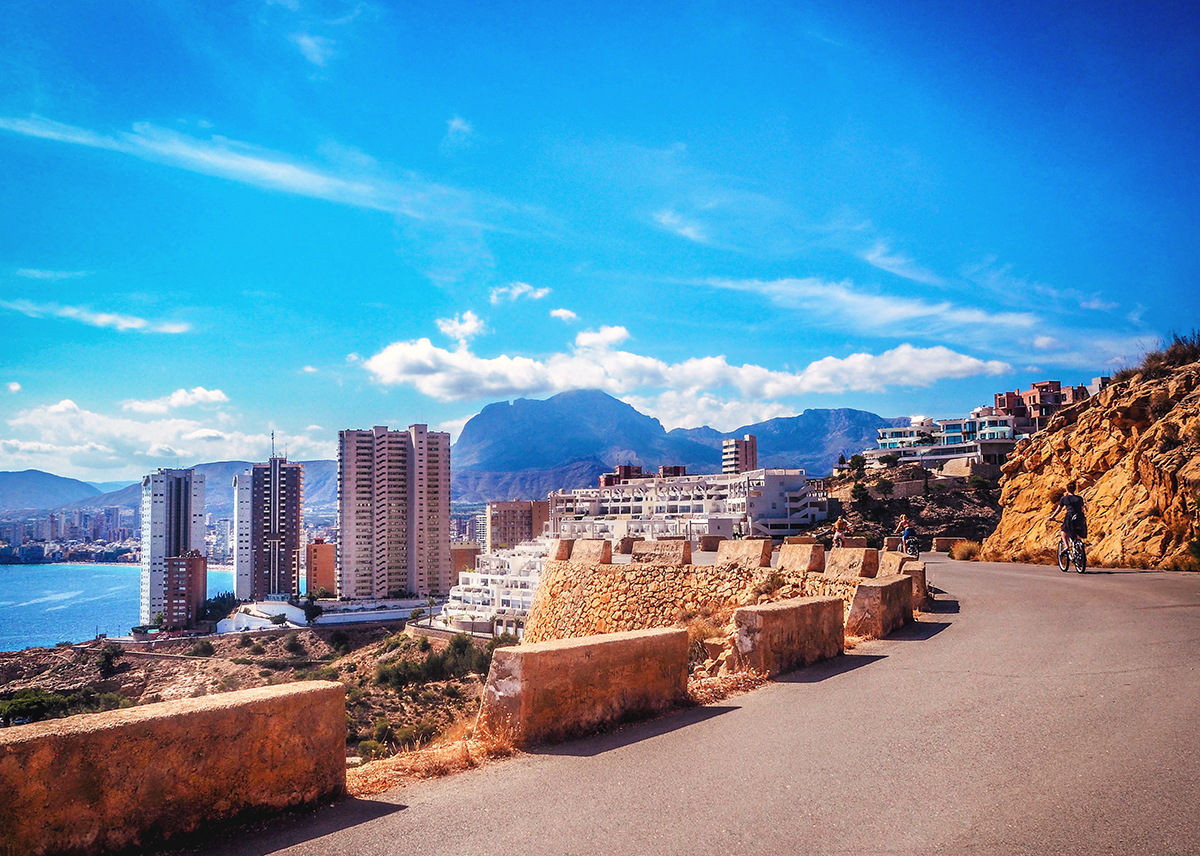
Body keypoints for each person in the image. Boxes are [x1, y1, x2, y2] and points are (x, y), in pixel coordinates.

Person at [1049, 480, 1086, 553]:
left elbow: (1058, 509)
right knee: (1077, 532)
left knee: (1064, 531)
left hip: (1070, 516)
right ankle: (1079, 549)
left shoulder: (1064, 498)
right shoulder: (1080, 498)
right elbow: (1082, 509)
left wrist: (1052, 517)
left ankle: (1066, 546)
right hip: (1079, 517)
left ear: (1067, 489)